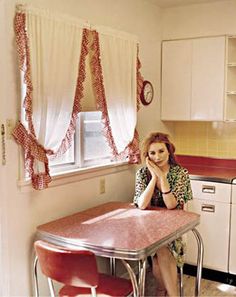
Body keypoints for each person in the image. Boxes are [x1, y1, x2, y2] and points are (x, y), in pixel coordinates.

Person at [133, 132, 193, 297]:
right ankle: (164, 291)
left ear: (169, 151)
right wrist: (154, 178)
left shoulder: (180, 173)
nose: (157, 157)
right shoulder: (142, 174)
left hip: (175, 226)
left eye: (161, 151)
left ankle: (166, 292)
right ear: (147, 156)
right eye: (152, 153)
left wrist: (162, 177)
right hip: (149, 227)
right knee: (159, 253)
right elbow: (142, 204)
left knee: (162, 250)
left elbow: (171, 205)